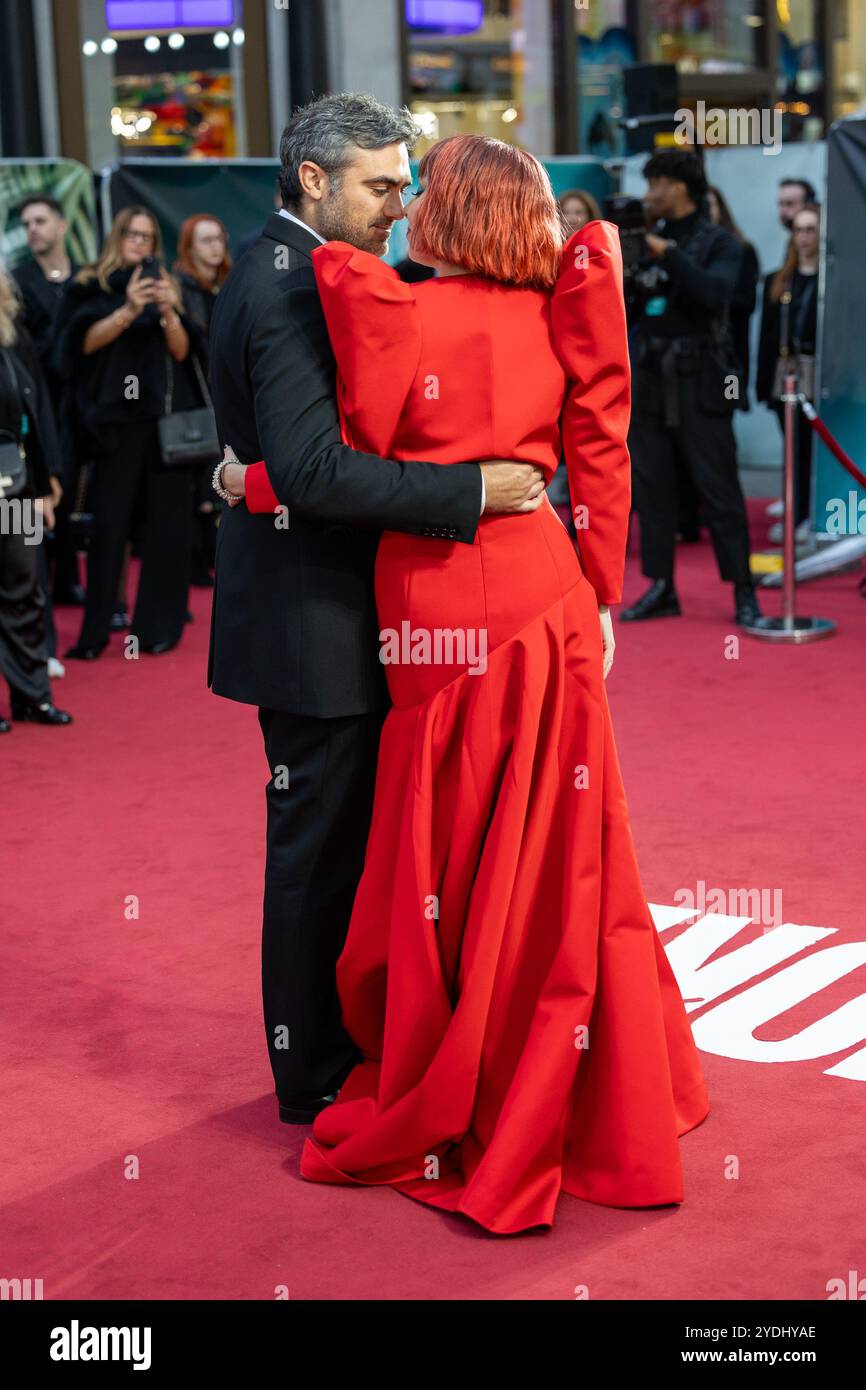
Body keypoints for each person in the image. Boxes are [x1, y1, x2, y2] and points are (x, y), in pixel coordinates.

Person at [235, 132, 709, 1235]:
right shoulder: (564, 307)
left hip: (430, 603)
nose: (397, 206)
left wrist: (241, 482)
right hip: (545, 589)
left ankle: (454, 1067)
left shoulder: (388, 308)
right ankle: (585, 1079)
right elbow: (601, 452)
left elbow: (339, 470)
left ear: (441, 212)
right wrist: (598, 590)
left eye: (415, 192)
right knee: (560, 846)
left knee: (448, 843)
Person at [207, 93, 549, 1129]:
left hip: (336, 612)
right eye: (379, 185)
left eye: (405, 184)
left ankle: (343, 1047)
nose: (398, 206)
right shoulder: (285, 290)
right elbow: (313, 471)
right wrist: (468, 492)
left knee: (346, 848)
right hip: (313, 623)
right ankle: (310, 1073)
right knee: (316, 855)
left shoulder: (306, 270)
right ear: (312, 178)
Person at [621, 151, 761, 626]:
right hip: (651, 377)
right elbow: (631, 310)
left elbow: (715, 295)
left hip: (706, 378)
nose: (650, 195)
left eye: (656, 184)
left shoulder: (722, 244)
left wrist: (668, 255)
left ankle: (744, 590)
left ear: (679, 187)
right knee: (652, 486)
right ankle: (662, 586)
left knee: (719, 485)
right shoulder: (645, 242)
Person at [55, 206, 192, 660]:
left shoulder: (164, 287)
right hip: (113, 424)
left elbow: (182, 352)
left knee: (164, 528)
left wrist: (167, 311)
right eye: (133, 235)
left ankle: (157, 627)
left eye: (148, 237)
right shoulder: (90, 285)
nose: (140, 244)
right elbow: (80, 346)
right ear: (117, 237)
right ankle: (95, 631)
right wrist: (129, 309)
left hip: (161, 423)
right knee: (109, 529)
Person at [0, 270, 71, 732]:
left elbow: (37, 406)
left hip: (17, 482)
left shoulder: (13, 335)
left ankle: (32, 696)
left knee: (25, 588)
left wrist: (47, 479)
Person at [13, 195, 82, 648]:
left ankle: (67, 578)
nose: (33, 229)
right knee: (37, 495)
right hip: (33, 408)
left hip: (78, 406)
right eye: (26, 224)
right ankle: (36, 602)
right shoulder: (16, 282)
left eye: (40, 221)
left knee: (71, 489)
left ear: (60, 225)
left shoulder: (81, 276)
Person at [757, 203, 821, 539]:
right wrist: (760, 384)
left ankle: (813, 513)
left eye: (811, 229)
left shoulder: (831, 279)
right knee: (792, 447)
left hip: (819, 372)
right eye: (799, 230)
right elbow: (767, 337)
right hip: (785, 370)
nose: (804, 237)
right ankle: (796, 511)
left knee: (814, 448)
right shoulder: (779, 280)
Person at [174, 214, 231, 586]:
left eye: (218, 239)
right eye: (205, 240)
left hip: (222, 395)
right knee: (199, 481)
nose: (214, 247)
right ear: (189, 247)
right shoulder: (181, 287)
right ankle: (196, 561)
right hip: (193, 397)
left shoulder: (226, 284)